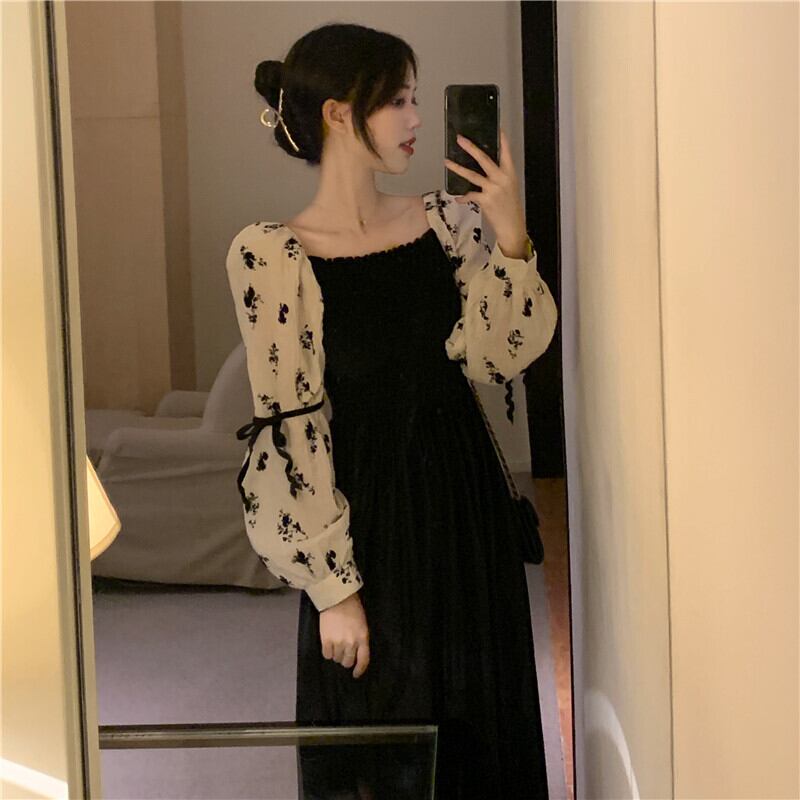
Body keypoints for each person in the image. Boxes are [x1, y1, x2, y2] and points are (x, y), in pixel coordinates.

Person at [225, 22, 558, 800]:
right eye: (399, 101)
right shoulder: (271, 256)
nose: (415, 118)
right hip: (364, 525)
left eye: (416, 99)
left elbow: (499, 356)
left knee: (480, 735)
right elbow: (289, 428)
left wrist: (511, 233)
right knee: (379, 747)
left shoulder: (445, 221)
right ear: (339, 114)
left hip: (465, 513)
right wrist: (333, 589)